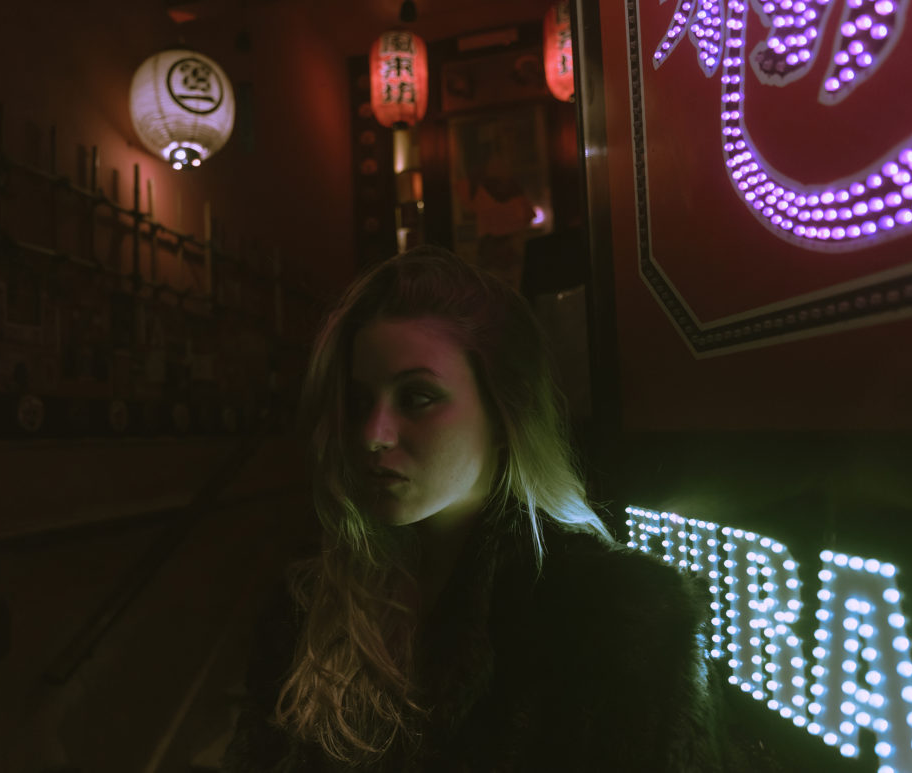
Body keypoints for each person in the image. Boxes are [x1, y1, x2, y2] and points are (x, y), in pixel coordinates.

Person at [222, 246, 720, 772]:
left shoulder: (612, 618)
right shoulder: (311, 603)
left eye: (417, 397)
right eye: (360, 401)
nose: (373, 434)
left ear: (505, 412)